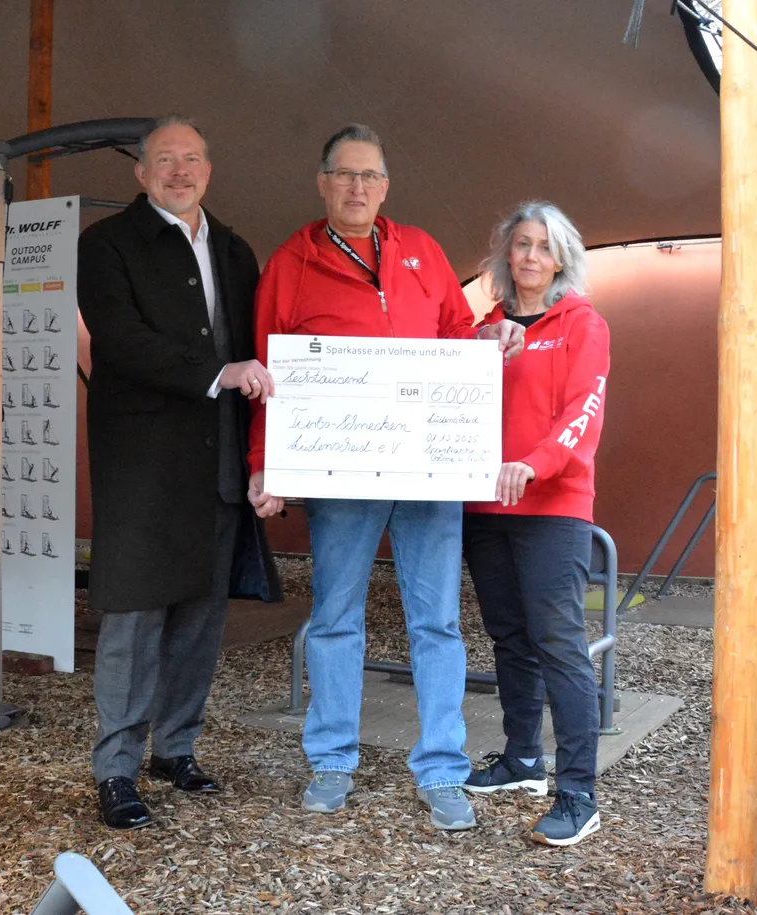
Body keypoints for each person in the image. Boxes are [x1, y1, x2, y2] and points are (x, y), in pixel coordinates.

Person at [246, 124, 523, 831]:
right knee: (335, 617)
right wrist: (264, 464)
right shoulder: (291, 262)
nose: (357, 187)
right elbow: (268, 374)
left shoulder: (421, 250)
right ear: (322, 182)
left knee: (437, 622)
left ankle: (443, 769)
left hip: (427, 469)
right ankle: (331, 761)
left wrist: (487, 336)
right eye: (345, 174)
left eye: (370, 175)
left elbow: (455, 337)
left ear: (386, 186)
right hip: (342, 472)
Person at [75, 115, 279, 830]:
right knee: (134, 616)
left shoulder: (234, 249)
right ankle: (116, 768)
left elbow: (261, 350)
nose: (180, 171)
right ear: (141, 172)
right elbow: (121, 340)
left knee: (201, 614)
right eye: (165, 159)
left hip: (218, 461)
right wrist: (216, 372)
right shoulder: (106, 244)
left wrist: (266, 459)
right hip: (143, 466)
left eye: (191, 158)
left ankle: (176, 748)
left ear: (209, 170)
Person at [460, 201, 610, 847]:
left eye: (543, 246)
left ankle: (578, 792)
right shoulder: (483, 330)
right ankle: (523, 757)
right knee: (509, 637)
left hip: (553, 506)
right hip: (484, 507)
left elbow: (584, 412)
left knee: (559, 644)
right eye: (521, 243)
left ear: (561, 258)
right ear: (505, 253)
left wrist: (535, 463)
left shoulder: (583, 324)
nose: (530, 255)